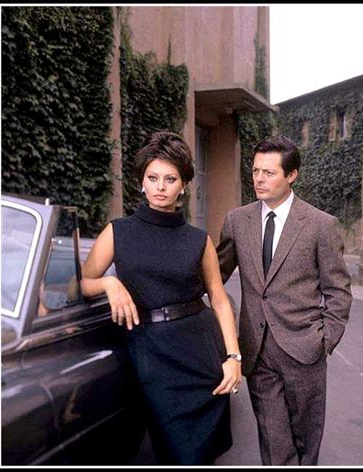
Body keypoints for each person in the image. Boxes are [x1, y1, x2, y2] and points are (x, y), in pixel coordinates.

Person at [80, 131, 242, 465]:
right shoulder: (118, 231)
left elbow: (220, 300)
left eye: (170, 179)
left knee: (200, 454)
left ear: (183, 185)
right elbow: (84, 282)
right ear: (141, 182)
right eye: (153, 178)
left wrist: (233, 358)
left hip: (200, 354)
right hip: (151, 354)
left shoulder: (198, 240)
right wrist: (110, 286)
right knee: (175, 451)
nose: (160, 187)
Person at [216, 135, 352, 465]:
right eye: (255, 171)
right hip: (257, 349)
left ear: (291, 175)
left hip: (304, 350)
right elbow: (214, 273)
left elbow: (338, 290)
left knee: (306, 440)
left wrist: (323, 340)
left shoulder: (321, 225)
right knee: (275, 442)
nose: (259, 179)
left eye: (269, 172)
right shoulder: (237, 220)